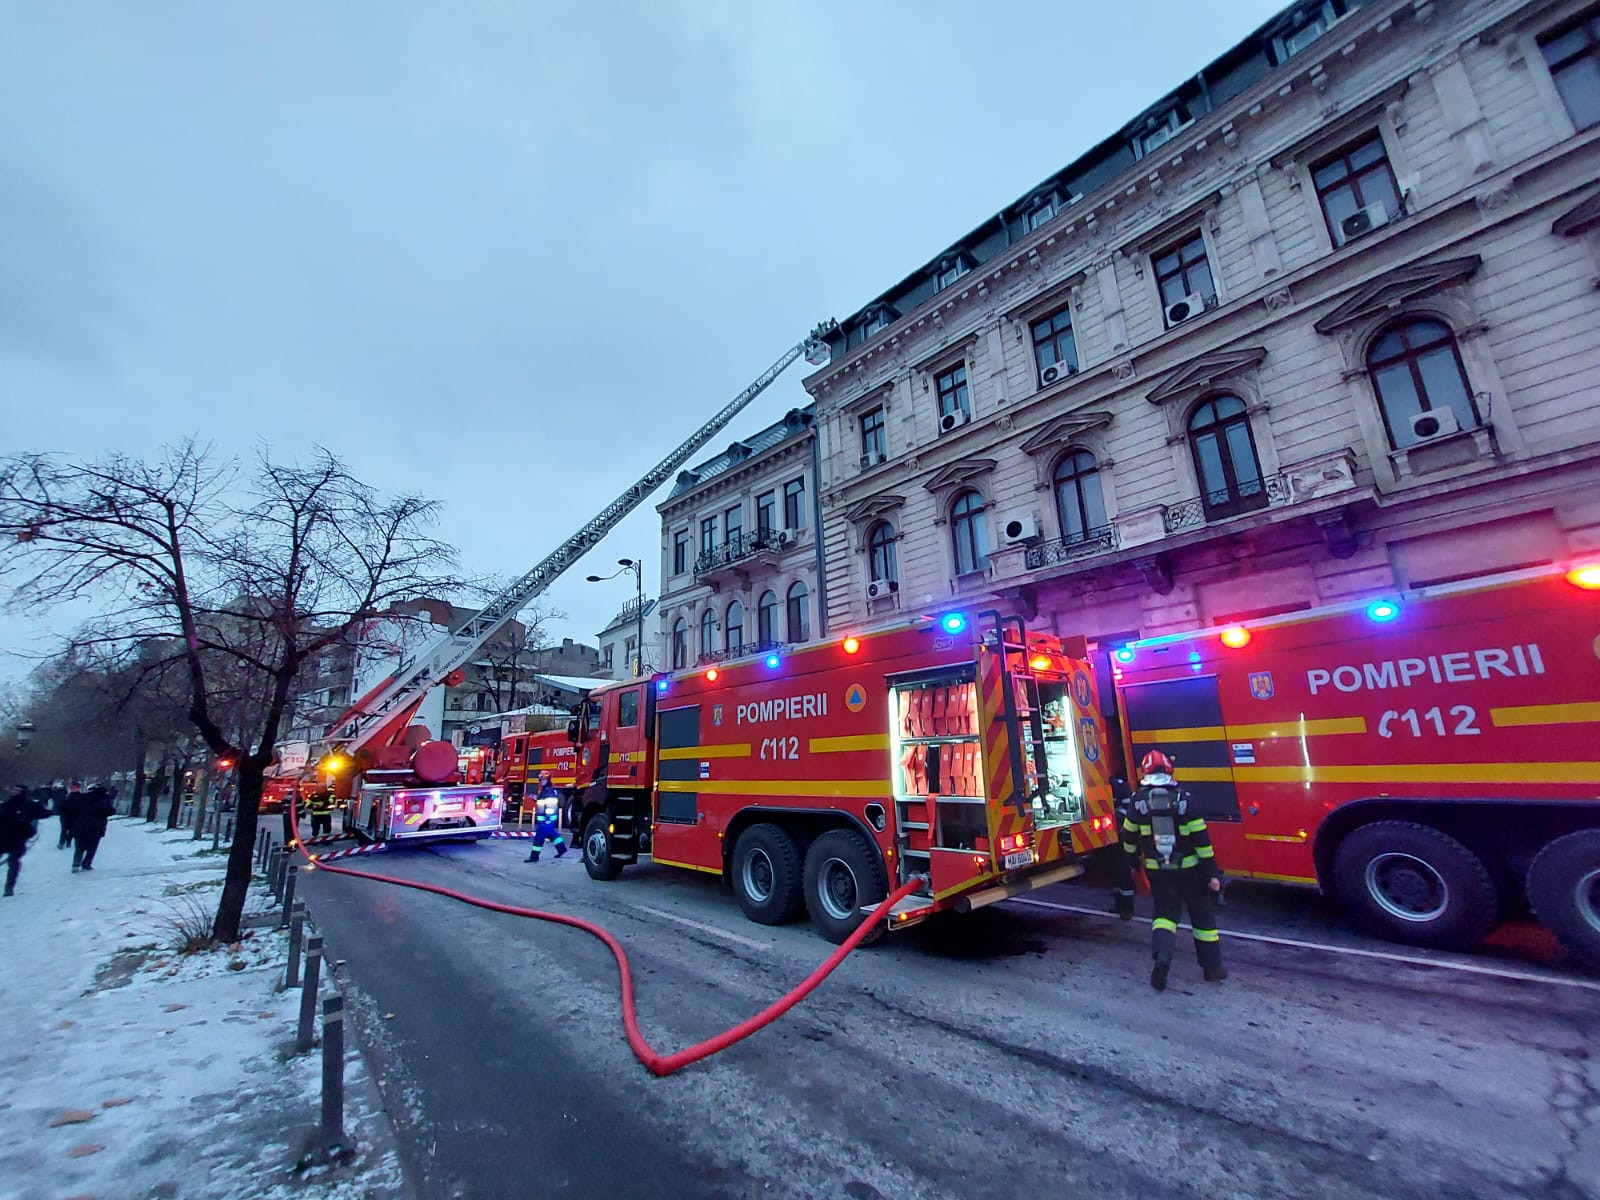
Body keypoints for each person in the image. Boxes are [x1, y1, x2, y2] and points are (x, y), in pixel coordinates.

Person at [1112, 750, 1226, 990]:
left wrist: (1134, 864)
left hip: (1159, 873)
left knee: (1164, 916)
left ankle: (1162, 957)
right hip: (1192, 873)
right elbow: (1202, 842)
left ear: (1145, 772)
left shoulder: (1137, 802)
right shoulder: (1185, 800)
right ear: (1169, 770)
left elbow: (1128, 838)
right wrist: (1212, 874)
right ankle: (1212, 969)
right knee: (1203, 918)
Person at [2, 784, 52, 896]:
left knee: (13, 862)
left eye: (17, 790)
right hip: (3, 836)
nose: (14, 791)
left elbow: (43, 813)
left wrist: (47, 812)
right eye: (13, 789)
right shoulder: (7, 804)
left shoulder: (28, 804)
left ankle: (9, 887)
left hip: (18, 837)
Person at [71, 783, 117, 872]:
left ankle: (76, 863)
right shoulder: (103, 800)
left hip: (81, 825)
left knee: (79, 846)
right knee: (92, 847)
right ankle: (86, 864)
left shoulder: (82, 798)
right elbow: (110, 811)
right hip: (96, 827)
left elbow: (73, 809)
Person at [524, 772, 567, 863]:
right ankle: (562, 849)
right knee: (552, 834)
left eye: (543, 780)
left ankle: (534, 856)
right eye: (541, 780)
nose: (541, 781)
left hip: (547, 819)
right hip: (545, 819)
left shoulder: (549, 791)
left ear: (548, 780)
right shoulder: (545, 790)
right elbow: (542, 801)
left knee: (539, 837)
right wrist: (535, 797)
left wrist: (547, 819)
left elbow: (550, 806)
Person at [55, 782, 82, 850]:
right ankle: (61, 842)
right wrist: (60, 808)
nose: (72, 789)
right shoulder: (67, 796)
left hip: (75, 816)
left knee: (72, 830)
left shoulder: (81, 797)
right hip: (65, 815)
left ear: (78, 788)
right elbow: (62, 804)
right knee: (64, 829)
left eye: (74, 787)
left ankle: (68, 841)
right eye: (71, 787)